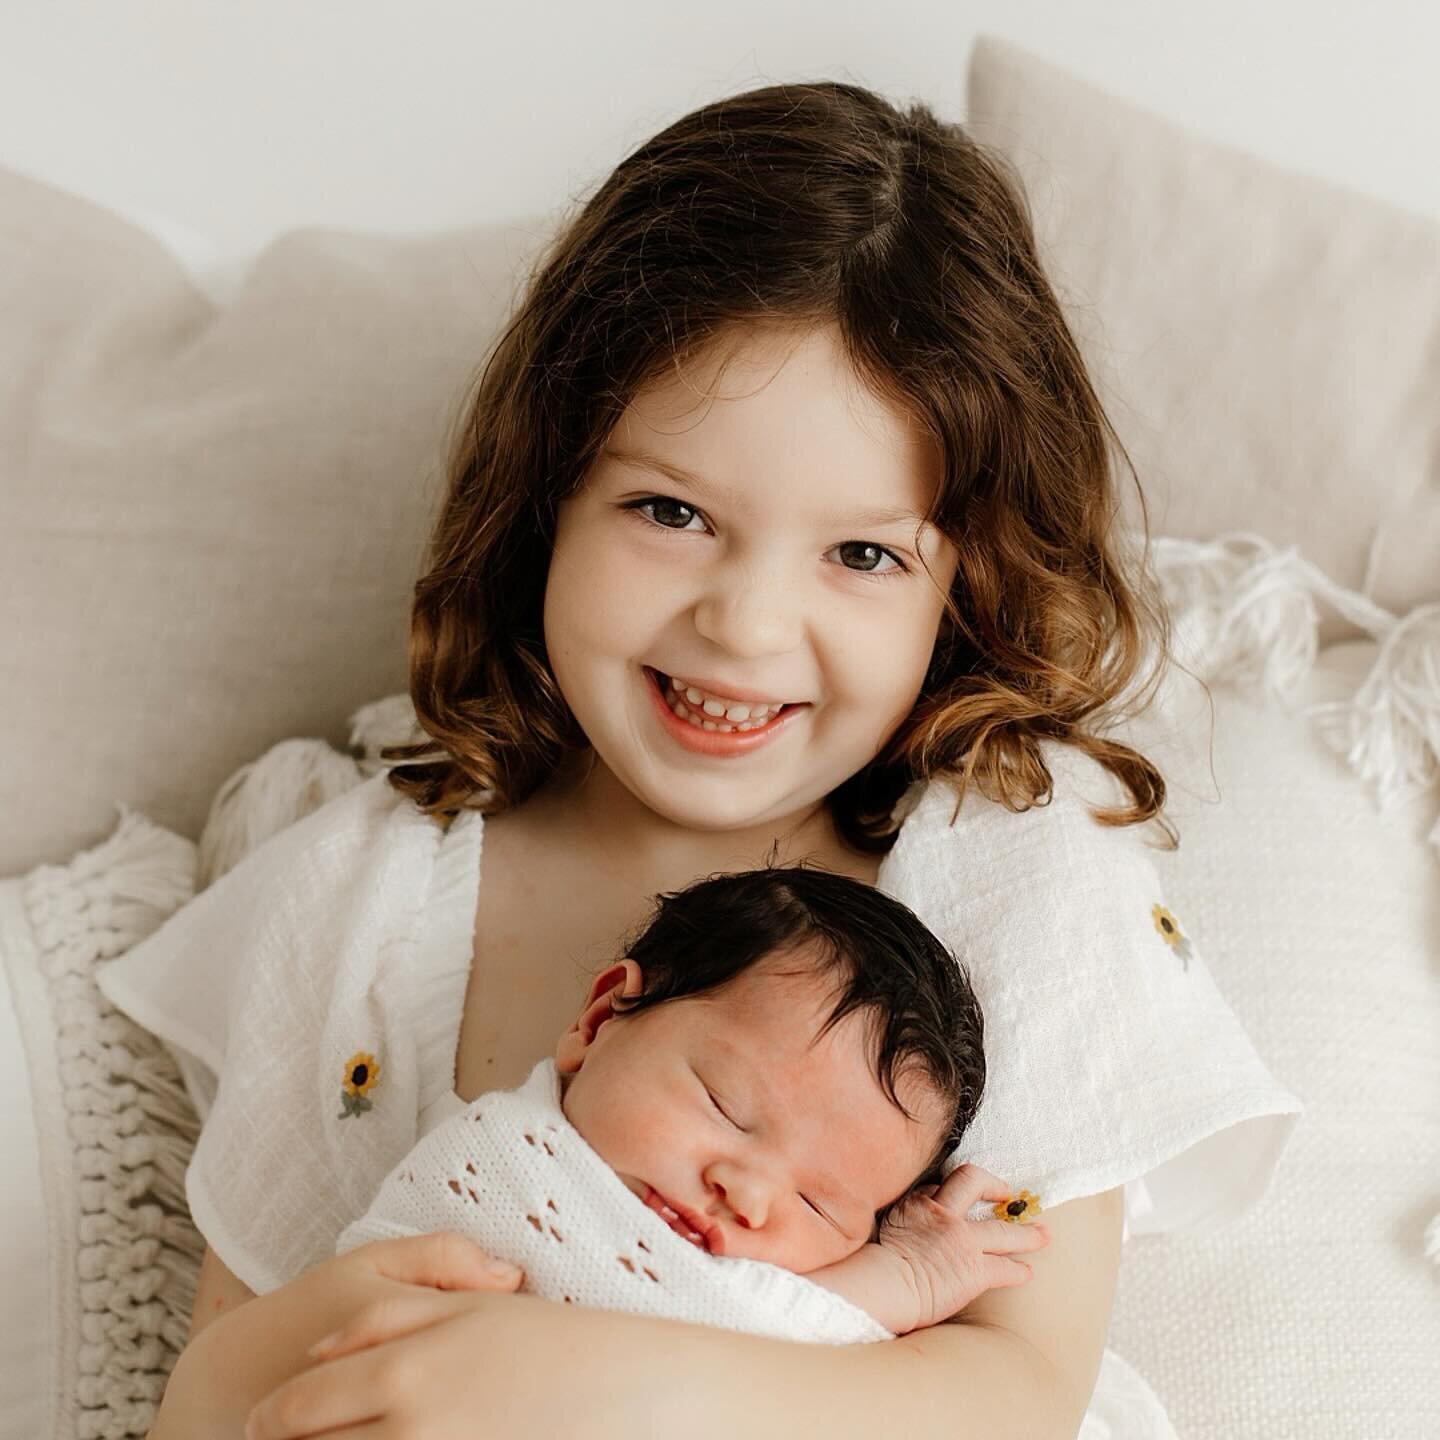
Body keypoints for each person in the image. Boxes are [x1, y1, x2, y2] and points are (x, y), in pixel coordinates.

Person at [96, 79, 1300, 1440]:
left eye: (862, 554)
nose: (744, 625)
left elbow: (1013, 1395)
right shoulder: (360, 896)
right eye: (671, 511)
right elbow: (207, 1390)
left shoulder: (1007, 864)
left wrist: (571, 1379)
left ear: (963, 584)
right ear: (546, 493)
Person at [333, 865, 1052, 1343]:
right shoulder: (502, 1160)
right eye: (724, 1107)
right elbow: (725, 1331)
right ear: (600, 1019)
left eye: (817, 1205)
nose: (747, 1193)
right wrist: (903, 1282)